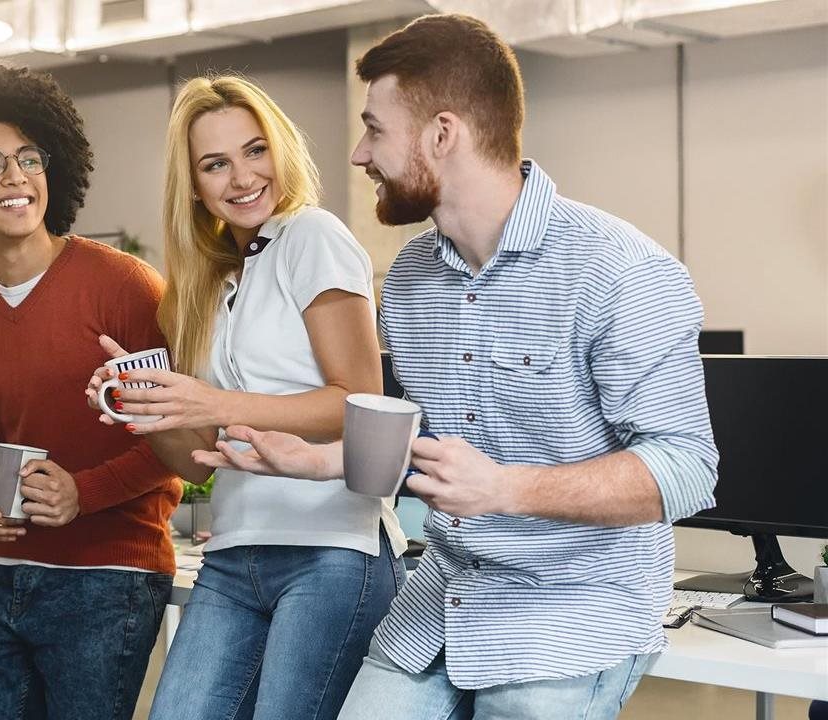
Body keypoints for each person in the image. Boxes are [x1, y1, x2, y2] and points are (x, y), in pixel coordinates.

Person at [194, 14, 720, 720]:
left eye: (375, 130)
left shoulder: (618, 271)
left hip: (568, 610)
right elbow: (430, 451)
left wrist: (506, 488)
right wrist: (317, 462)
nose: (358, 154)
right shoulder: (412, 279)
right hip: (443, 596)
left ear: (442, 135)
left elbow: (686, 468)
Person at [86, 75, 406, 720]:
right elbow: (198, 461)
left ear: (280, 151)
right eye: (216, 164)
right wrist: (149, 409)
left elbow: (361, 404)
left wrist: (215, 403)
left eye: (255, 151)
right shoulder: (210, 283)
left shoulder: (311, 235)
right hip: (233, 553)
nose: (241, 177)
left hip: (332, 550)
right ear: (194, 184)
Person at [0, 63, 179, 720]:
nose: (16, 176)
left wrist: (85, 492)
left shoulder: (126, 287)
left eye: (29, 158)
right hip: (8, 572)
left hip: (112, 575)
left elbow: (178, 442)